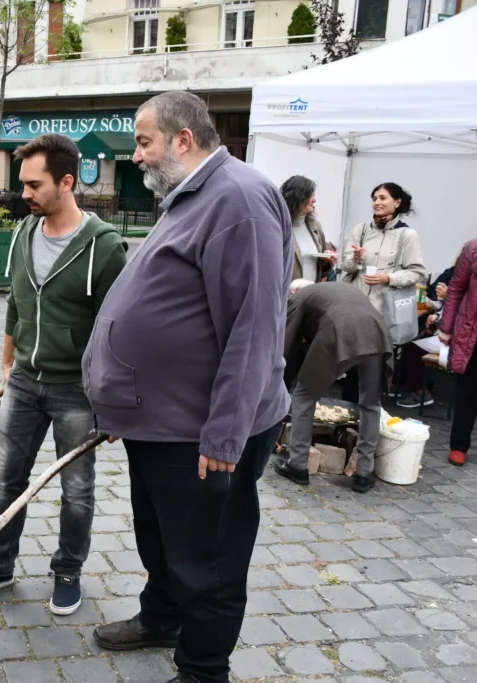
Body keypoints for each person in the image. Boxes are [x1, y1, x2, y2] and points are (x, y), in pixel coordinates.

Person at [81, 92, 289, 683]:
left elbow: (253, 330)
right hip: (163, 425)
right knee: (160, 537)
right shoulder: (189, 197)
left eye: (144, 142)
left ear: (182, 140)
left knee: (209, 560)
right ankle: (162, 616)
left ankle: (202, 670)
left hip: (205, 433)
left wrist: (223, 438)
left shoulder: (239, 200)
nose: (137, 154)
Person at [0, 133, 128, 616]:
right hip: (26, 382)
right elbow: (16, 304)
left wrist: (110, 402)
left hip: (77, 391)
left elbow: (122, 331)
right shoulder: (25, 233)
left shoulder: (106, 248)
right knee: (8, 481)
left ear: (66, 182)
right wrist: (8, 364)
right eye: (22, 183)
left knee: (76, 489)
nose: (23, 193)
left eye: (33, 184)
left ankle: (67, 572)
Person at [276, 281, 392, 493]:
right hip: (377, 332)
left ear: (293, 292)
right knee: (371, 403)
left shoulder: (299, 297)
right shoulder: (332, 289)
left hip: (340, 330)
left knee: (303, 395)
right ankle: (364, 473)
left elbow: (285, 346)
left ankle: (297, 464)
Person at [437, 233, 477, 466]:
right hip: (474, 335)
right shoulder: (475, 250)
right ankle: (459, 446)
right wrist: (446, 327)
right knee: (469, 391)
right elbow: (456, 288)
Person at [340, 183, 427, 316]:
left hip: (386, 311)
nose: (377, 203)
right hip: (354, 306)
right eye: (374, 199)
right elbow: (346, 267)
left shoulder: (407, 234)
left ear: (397, 203)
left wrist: (388, 278)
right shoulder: (361, 230)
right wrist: (355, 258)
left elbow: (417, 272)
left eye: (382, 198)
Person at [396, 259, 458, 408]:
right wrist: (437, 317)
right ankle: (401, 383)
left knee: (414, 346)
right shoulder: (456, 273)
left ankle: (421, 392)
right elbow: (434, 293)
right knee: (415, 339)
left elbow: (466, 312)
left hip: (460, 339)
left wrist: (448, 297)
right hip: (449, 331)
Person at [281, 175, 336, 282]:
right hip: (287, 294)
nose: (314, 200)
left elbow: (322, 271)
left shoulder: (315, 226)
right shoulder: (280, 226)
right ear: (297, 197)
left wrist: (327, 261)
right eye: (310, 195)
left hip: (310, 294)